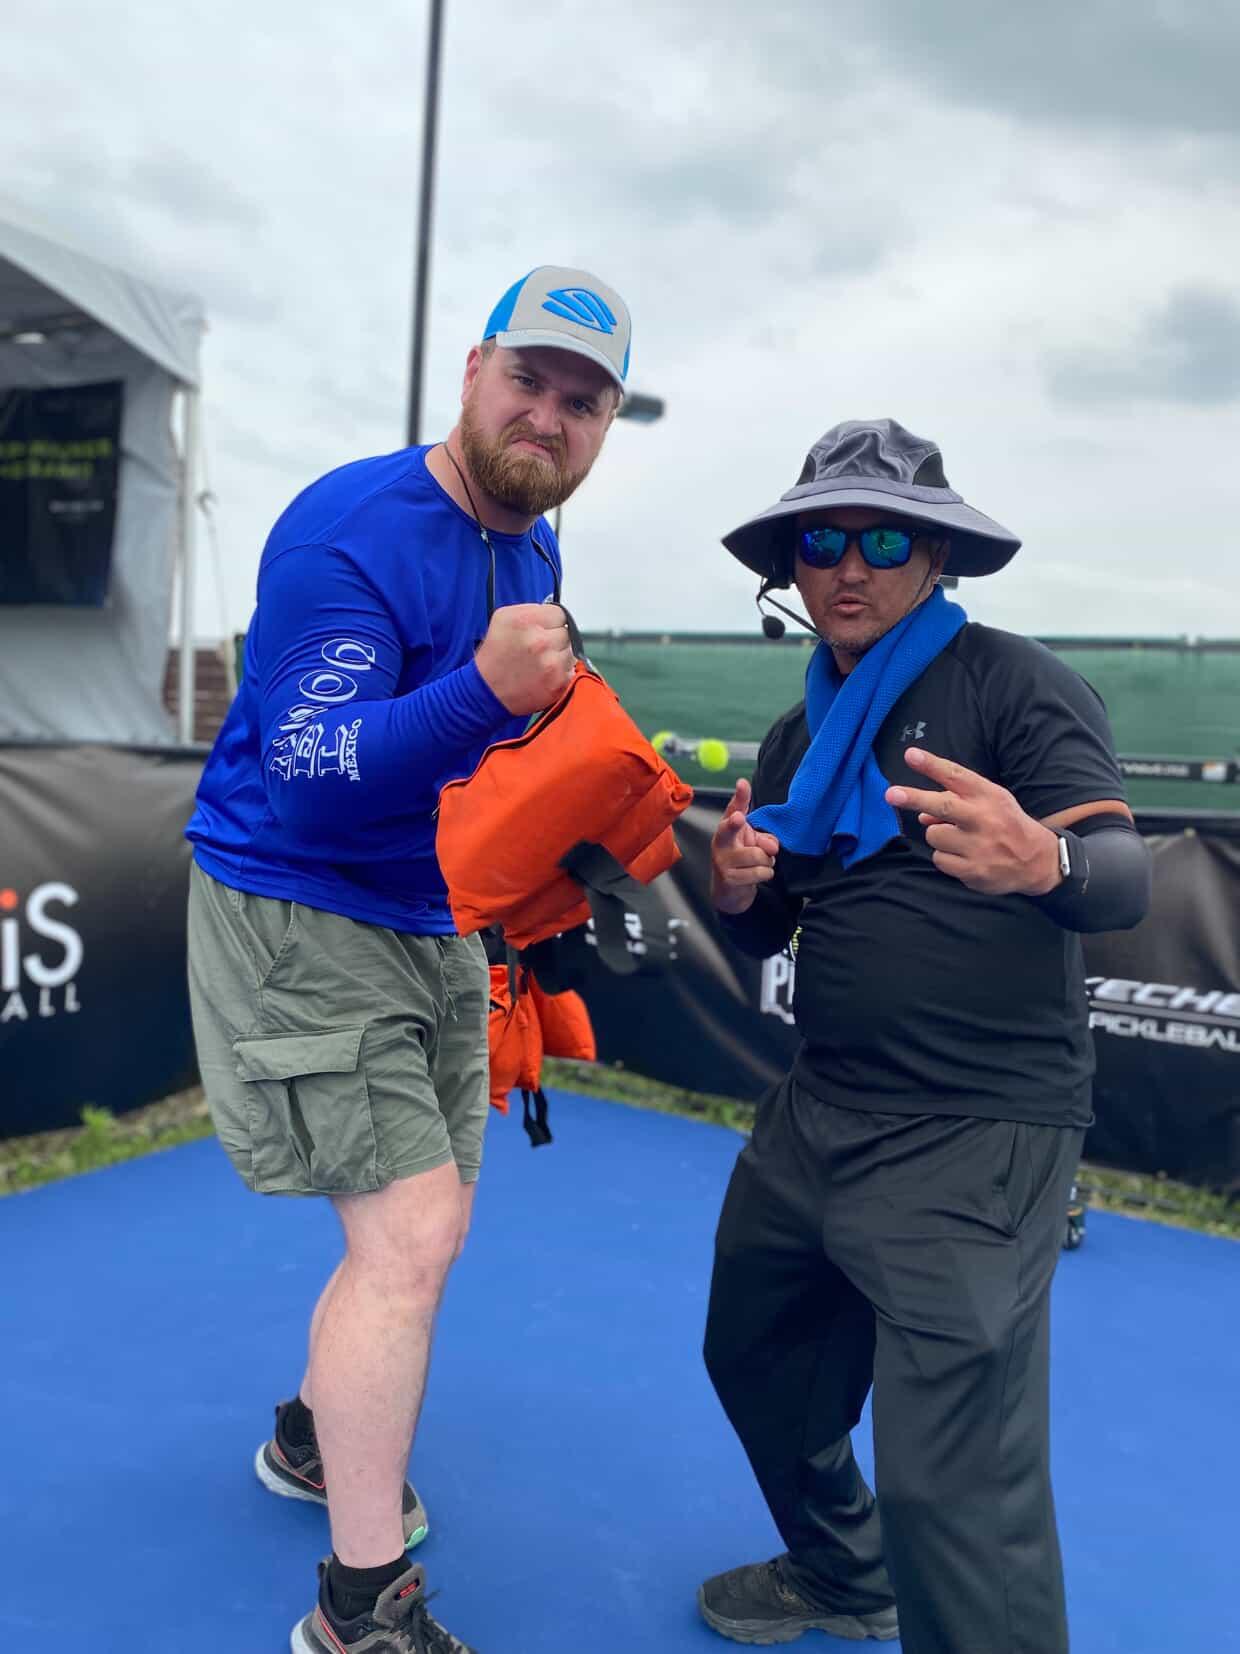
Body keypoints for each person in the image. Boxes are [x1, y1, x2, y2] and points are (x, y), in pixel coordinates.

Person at [185, 266, 631, 1654]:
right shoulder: (348, 531)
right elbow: (315, 775)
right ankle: (358, 1612)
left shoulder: (535, 553)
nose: (549, 419)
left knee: (423, 1231)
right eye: (530, 382)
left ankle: (317, 1436)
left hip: (425, 908)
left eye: (584, 401)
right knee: (409, 1234)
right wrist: (483, 694)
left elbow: (487, 758)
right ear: (472, 372)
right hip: (296, 900)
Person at [699, 419, 1151, 1653]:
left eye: (884, 536)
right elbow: (772, 925)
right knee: (754, 1356)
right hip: (820, 1111)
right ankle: (847, 1574)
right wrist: (741, 889)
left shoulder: (1014, 683)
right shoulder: (802, 732)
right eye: (822, 539)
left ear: (933, 556)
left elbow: (1118, 877)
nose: (849, 563)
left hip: (976, 1130)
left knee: (954, 1487)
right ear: (792, 566)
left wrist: (1040, 855)